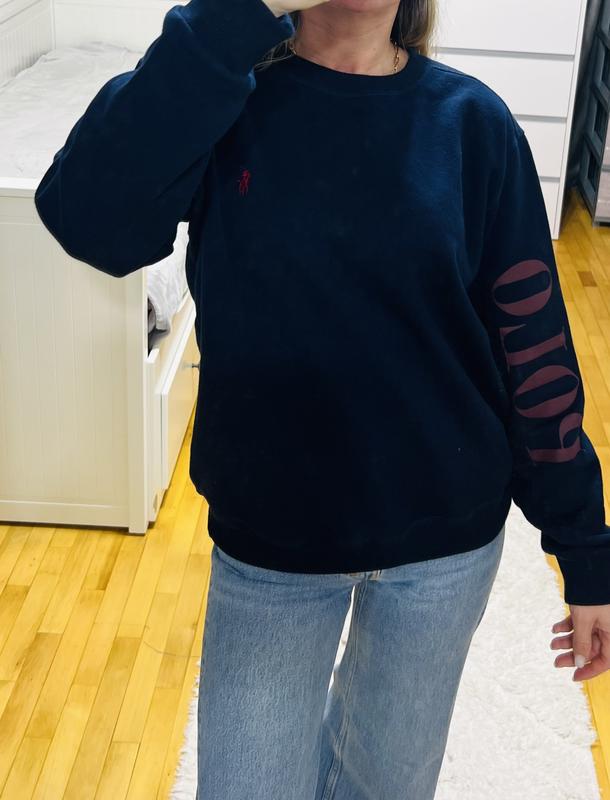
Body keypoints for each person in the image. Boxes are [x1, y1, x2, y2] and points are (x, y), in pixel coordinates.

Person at [33, 0, 610, 797]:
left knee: (385, 786)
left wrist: (585, 551)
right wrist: (236, 16)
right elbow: (86, 217)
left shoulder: (473, 127)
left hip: (443, 553)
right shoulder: (219, 97)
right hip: (273, 548)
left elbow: (535, 356)